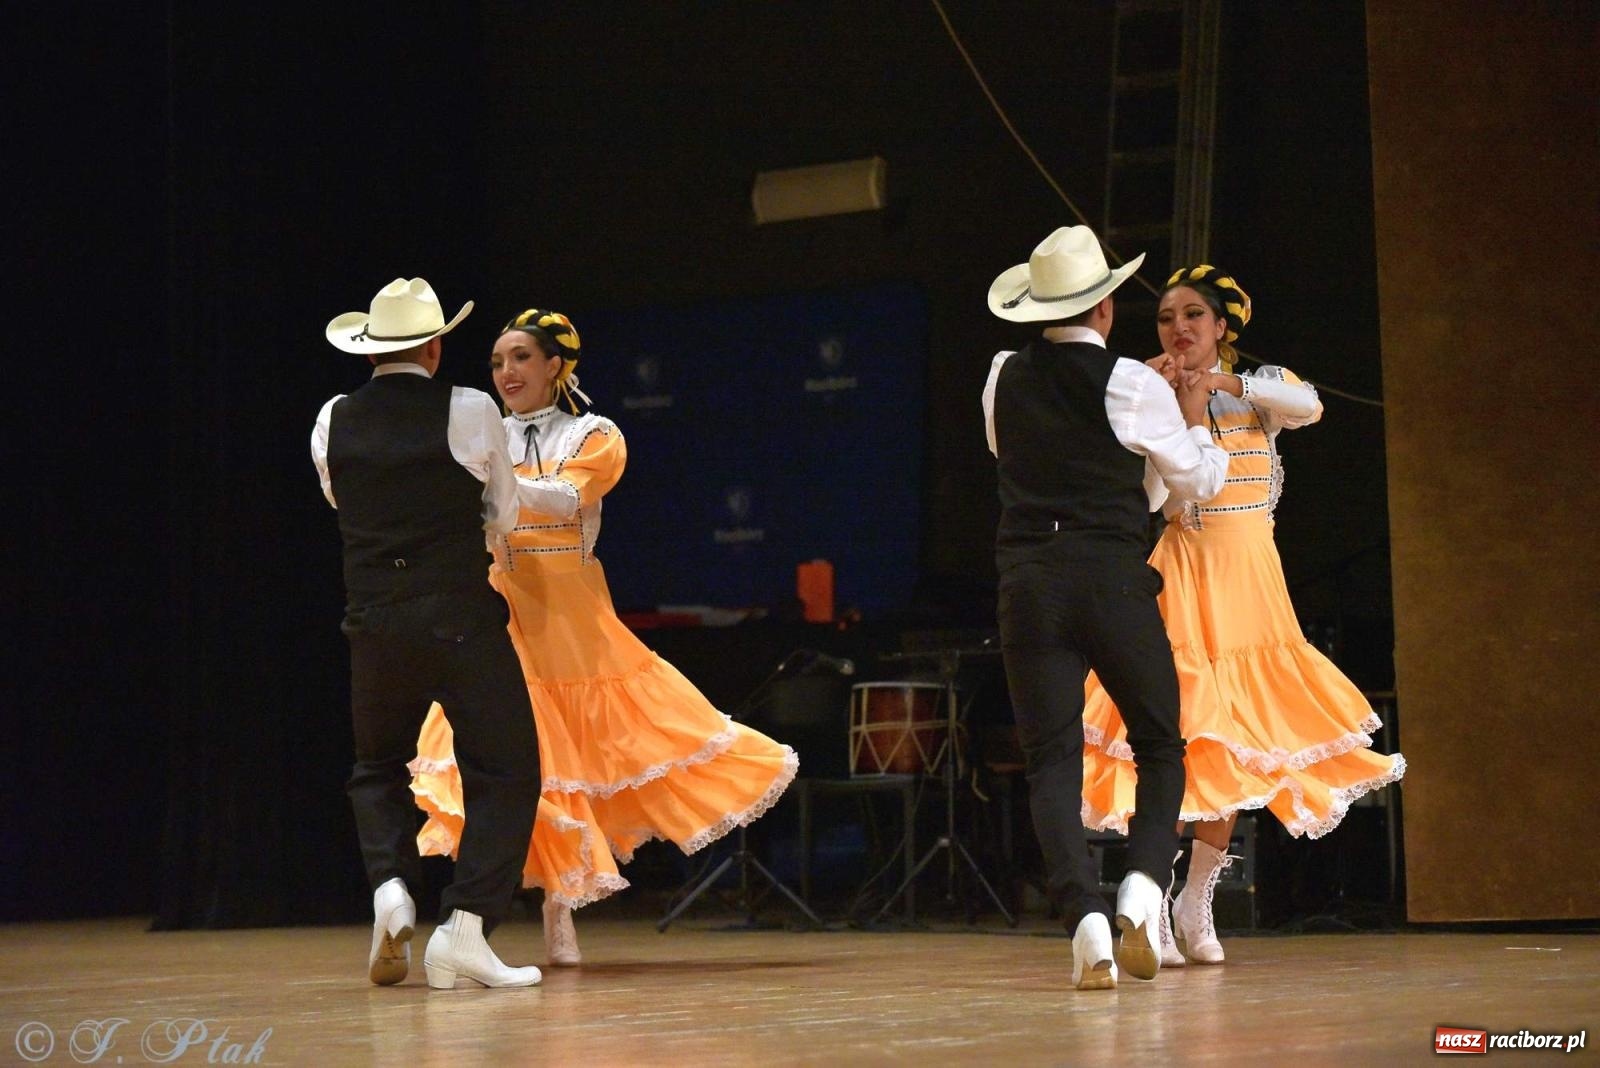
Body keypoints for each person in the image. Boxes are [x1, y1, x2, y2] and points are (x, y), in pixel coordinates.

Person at [409, 308, 798, 965]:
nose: (507, 372)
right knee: (529, 760)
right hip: (505, 613)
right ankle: (530, 912)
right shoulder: (483, 436)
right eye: (499, 361)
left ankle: (562, 911)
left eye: (522, 358)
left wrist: (489, 487)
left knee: (588, 760)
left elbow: (566, 498)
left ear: (556, 365)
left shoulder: (593, 434)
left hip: (574, 619)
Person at [1080, 265, 1407, 967]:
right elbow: (1144, 501)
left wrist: (1219, 386)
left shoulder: (1255, 394)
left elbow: (1309, 404)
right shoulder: (1153, 399)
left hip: (1251, 584)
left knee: (1233, 746)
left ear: (1221, 328)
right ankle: (1152, 902)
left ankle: (1194, 899)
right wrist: (1153, 404)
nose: (1179, 329)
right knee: (1174, 738)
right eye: (1167, 319)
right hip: (1184, 576)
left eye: (1193, 315)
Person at [982, 227, 1228, 990]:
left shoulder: (1001, 375)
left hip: (1028, 581)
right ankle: (1143, 889)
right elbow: (1195, 483)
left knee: (1051, 760)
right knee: (1159, 746)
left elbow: (1013, 457)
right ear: (1108, 307)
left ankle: (1084, 922)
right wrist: (1183, 415)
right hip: (1109, 577)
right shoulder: (1131, 382)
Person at [312, 277, 544, 990]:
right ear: (436, 346)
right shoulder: (471, 408)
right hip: (457, 620)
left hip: (374, 620)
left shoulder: (332, 417)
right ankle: (466, 928)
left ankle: (390, 890)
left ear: (373, 351)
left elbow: (338, 497)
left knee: (376, 766)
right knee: (505, 769)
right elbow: (503, 514)